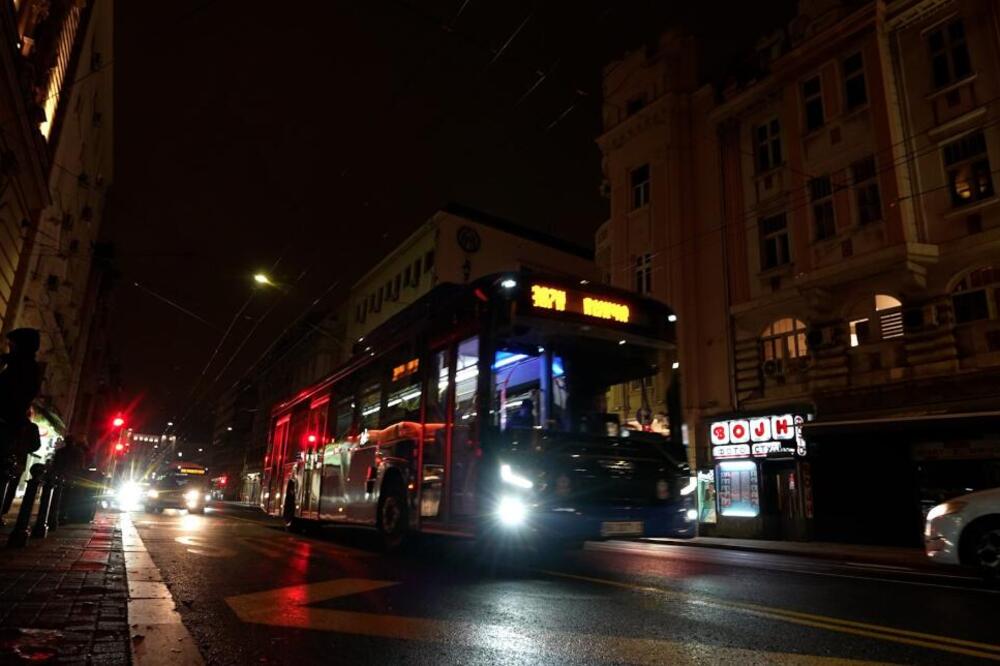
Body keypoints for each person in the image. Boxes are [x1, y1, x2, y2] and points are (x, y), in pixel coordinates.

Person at [0, 328, 42, 522]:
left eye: (12, 344)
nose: (9, 346)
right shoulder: (24, 366)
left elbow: (10, 395)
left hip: (6, 423)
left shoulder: (20, 366)